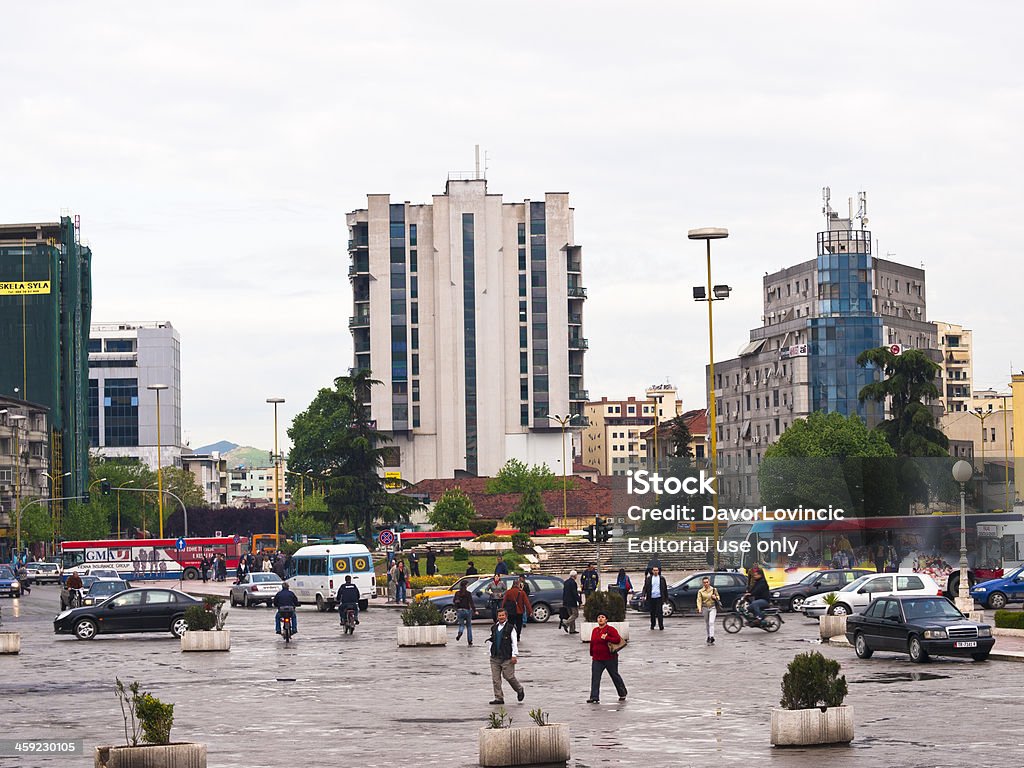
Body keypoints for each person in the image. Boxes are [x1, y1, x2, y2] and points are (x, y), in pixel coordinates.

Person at [486, 608, 524, 705]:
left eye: (503, 615)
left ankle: (519, 689)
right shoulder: (494, 627)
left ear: (506, 616)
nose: (501, 617)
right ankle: (499, 698)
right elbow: (492, 640)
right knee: (496, 679)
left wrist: (514, 655)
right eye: (499, 615)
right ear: (497, 617)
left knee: (509, 676)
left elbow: (514, 642)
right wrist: (490, 653)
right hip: (495, 657)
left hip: (507, 657)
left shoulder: (511, 628)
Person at [588, 611, 627, 704]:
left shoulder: (610, 629)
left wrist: (607, 638)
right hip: (597, 659)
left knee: (614, 675)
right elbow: (592, 643)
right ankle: (594, 697)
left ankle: (622, 693)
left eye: (602, 617)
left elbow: (617, 639)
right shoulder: (595, 630)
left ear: (606, 620)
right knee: (595, 678)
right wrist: (592, 653)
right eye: (599, 617)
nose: (600, 619)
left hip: (610, 658)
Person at [696, 576, 720, 645]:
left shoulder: (713, 589)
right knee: (707, 623)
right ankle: (708, 636)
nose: (706, 584)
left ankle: (712, 637)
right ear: (703, 583)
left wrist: (715, 597)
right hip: (705, 608)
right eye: (704, 582)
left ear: (709, 582)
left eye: (707, 582)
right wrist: (699, 608)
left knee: (711, 622)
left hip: (712, 607)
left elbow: (718, 597)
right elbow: (699, 600)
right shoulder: (700, 591)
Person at [642, 566, 668, 630]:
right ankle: (652, 625)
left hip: (659, 597)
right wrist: (643, 595)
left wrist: (666, 598)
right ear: (652, 571)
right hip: (651, 598)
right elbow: (645, 587)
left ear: (658, 571)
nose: (655, 572)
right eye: (654, 570)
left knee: (659, 612)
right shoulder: (649, 579)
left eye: (657, 570)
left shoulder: (662, 579)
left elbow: (665, 589)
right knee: (652, 612)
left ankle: (661, 626)